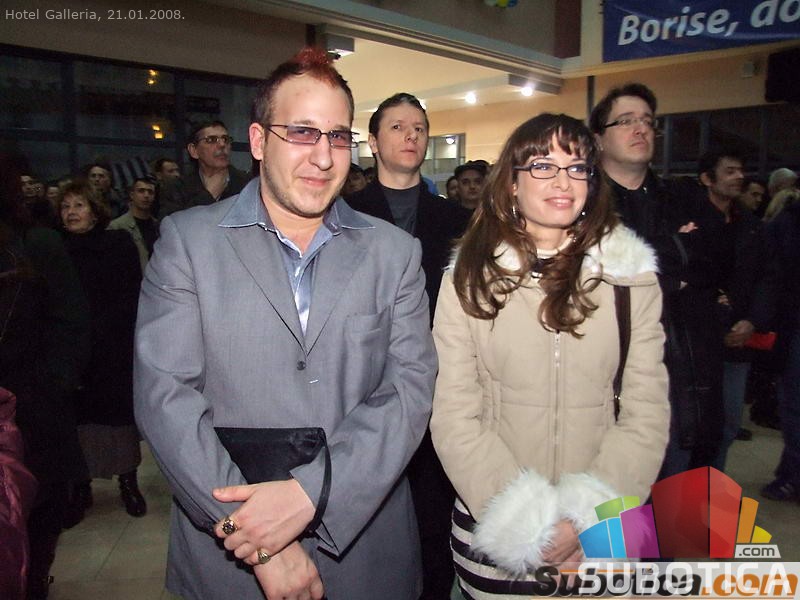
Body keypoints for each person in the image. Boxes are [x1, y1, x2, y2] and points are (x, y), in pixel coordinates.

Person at [134, 47, 436, 600]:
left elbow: (409, 392)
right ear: (257, 141)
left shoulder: (394, 253)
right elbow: (165, 398)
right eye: (302, 132)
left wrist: (309, 494)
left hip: (364, 554)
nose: (323, 157)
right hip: (230, 557)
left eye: (338, 136)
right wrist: (258, 541)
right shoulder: (188, 243)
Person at [430, 113, 669, 598]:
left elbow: (646, 411)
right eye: (542, 165)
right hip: (496, 528)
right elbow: (454, 415)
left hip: (603, 528)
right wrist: (527, 523)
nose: (563, 181)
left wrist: (586, 518)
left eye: (577, 167)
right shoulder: (468, 280)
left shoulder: (629, 279)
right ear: (511, 183)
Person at [346, 92, 470, 600]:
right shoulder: (345, 215)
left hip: (440, 379)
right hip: (364, 381)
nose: (411, 135)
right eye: (397, 127)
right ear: (373, 142)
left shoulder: (458, 220)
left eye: (419, 127)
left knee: (433, 511)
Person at [590, 82, 719, 479]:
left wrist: (645, 265)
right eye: (626, 121)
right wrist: (672, 259)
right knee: (618, 499)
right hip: (606, 373)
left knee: (683, 496)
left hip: (682, 365)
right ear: (599, 138)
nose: (640, 129)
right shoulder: (584, 203)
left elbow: (710, 265)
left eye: (647, 121)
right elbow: (594, 276)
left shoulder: (684, 196)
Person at [0, 154, 90, 600]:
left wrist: (54, 382)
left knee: (34, 519)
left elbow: (71, 321)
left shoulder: (36, 244)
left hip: (31, 409)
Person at [58, 181, 146, 518]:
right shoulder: (57, 249)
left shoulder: (117, 243)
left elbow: (132, 293)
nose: (71, 213)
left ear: (95, 212)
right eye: (65, 207)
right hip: (73, 351)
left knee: (118, 420)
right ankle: (81, 487)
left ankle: (128, 482)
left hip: (113, 347)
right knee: (76, 421)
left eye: (78, 205)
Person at [692, 150, 773, 472]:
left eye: (740, 170)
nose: (739, 177)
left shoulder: (751, 226)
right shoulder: (689, 222)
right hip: (697, 342)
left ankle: (711, 490)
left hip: (738, 340)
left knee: (727, 425)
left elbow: (767, 277)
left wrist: (751, 320)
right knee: (692, 427)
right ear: (707, 179)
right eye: (729, 171)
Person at [760, 197, 800, 500]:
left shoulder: (785, 223)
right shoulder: (786, 224)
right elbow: (772, 277)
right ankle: (792, 475)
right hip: (792, 327)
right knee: (794, 407)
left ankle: (791, 475)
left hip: (791, 326)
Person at [158, 120, 250, 217]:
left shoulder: (248, 184)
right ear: (194, 150)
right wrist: (208, 195)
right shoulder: (176, 189)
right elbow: (171, 224)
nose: (222, 145)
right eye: (211, 140)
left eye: (226, 139)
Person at [108, 177, 160, 273]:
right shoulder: (117, 226)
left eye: (150, 192)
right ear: (132, 195)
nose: (146, 195)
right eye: (141, 191)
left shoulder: (158, 226)